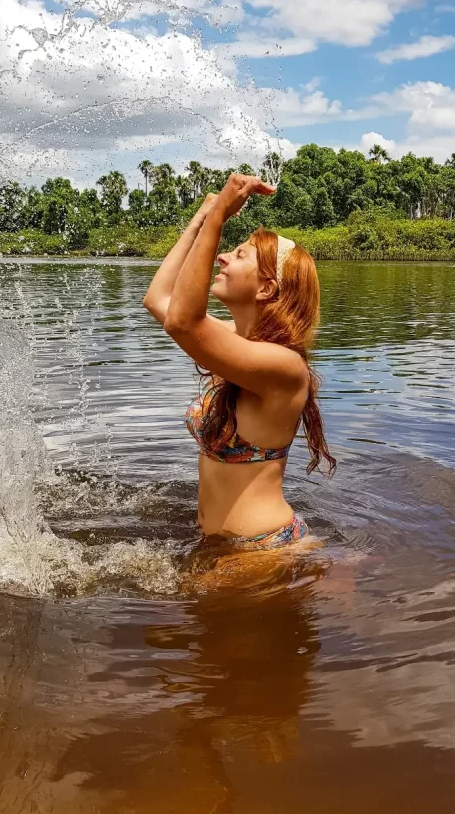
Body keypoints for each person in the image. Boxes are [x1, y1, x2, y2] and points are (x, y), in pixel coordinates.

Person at [142, 172, 336, 551]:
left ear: (266, 288)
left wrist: (218, 220)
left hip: (261, 548)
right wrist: (203, 217)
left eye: (240, 254)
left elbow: (183, 322)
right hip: (224, 545)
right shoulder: (235, 342)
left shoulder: (284, 367)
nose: (223, 256)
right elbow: (158, 299)